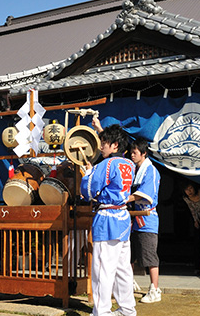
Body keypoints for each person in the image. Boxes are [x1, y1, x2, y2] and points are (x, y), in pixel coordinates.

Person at [81, 124, 137, 316]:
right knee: (122, 269)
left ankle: (102, 311)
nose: (101, 146)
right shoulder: (129, 164)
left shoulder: (105, 165)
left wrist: (88, 173)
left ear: (115, 145)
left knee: (102, 269)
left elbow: (87, 191)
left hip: (107, 218)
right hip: (122, 217)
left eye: (104, 143)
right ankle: (127, 309)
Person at [127, 138, 161, 303]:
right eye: (131, 152)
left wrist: (126, 198)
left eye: (135, 153)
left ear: (144, 154)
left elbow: (146, 194)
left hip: (147, 219)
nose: (132, 155)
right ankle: (128, 283)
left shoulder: (151, 171)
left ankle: (155, 289)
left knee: (149, 256)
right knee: (129, 255)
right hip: (133, 219)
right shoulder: (135, 170)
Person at [182, 181, 200, 275]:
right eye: (186, 189)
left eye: (190, 188)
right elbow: (192, 209)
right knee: (198, 243)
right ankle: (198, 266)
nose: (189, 191)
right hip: (199, 219)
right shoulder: (186, 198)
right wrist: (195, 220)